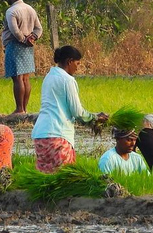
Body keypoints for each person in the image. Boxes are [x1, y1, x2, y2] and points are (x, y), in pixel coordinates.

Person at [31, 45, 107, 173]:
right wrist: (96, 117)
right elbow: (77, 112)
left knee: (46, 179)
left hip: (40, 135)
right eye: (77, 63)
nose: (78, 67)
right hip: (58, 135)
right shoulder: (67, 80)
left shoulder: (49, 77)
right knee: (63, 180)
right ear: (69, 61)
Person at [1, 0, 42, 115]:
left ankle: (19, 109)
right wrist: (32, 38)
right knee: (25, 78)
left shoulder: (11, 11)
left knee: (17, 78)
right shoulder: (30, 9)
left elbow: (14, 30)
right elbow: (38, 28)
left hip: (15, 45)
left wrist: (23, 39)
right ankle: (24, 108)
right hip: (28, 47)